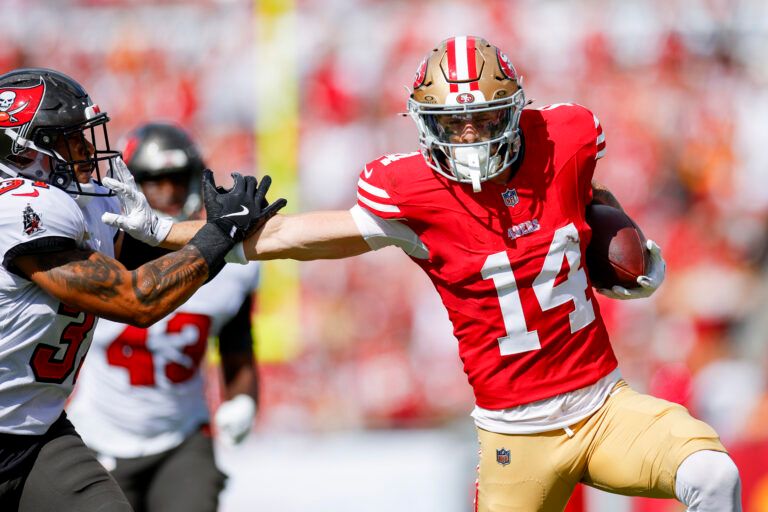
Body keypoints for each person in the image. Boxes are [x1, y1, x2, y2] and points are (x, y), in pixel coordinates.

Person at [110, 37, 741, 511]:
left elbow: (586, 194)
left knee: (714, 475)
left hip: (605, 405)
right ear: (423, 124)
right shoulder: (412, 193)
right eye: (452, 124)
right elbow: (299, 236)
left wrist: (627, 244)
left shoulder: (564, 138)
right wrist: (166, 232)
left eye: (484, 119)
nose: (469, 138)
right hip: (515, 436)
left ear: (514, 111)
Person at [0, 68, 283, 512]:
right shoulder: (19, 210)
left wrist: (368, 225)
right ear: (22, 152)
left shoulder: (84, 205)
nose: (86, 150)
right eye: (69, 139)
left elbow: (167, 249)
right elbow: (136, 300)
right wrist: (218, 235)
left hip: (38, 433)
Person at [67, 122, 261, 512]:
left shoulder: (232, 265)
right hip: (100, 434)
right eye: (154, 181)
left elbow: (237, 347)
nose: (168, 192)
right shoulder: (101, 247)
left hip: (181, 438)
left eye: (177, 179)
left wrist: (243, 400)